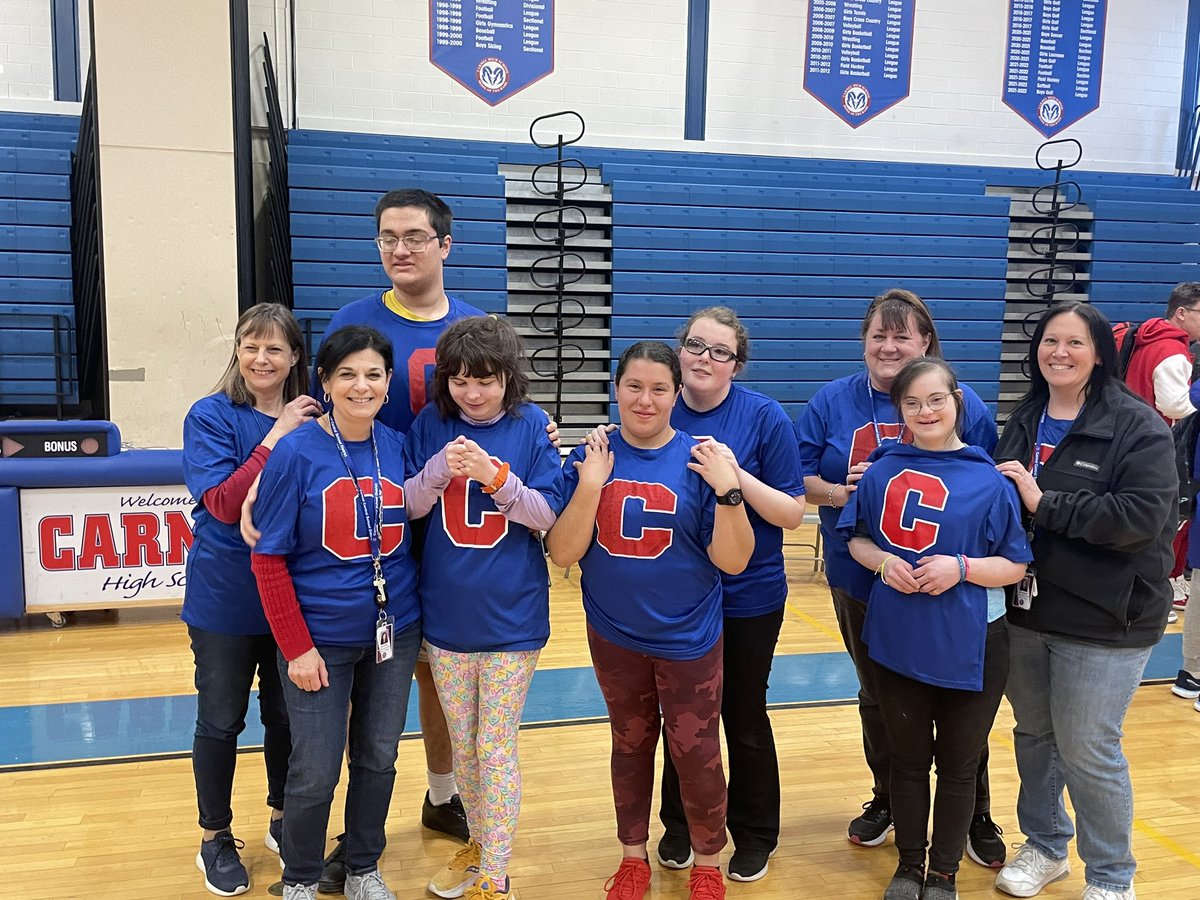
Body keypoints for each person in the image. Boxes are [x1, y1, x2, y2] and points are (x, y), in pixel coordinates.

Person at [242, 189, 558, 889]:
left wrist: (530, 447)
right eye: (388, 236)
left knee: (414, 718)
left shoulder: (483, 333)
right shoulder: (357, 323)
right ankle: (309, 837)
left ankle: (441, 805)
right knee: (329, 724)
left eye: (415, 236)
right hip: (377, 521)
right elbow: (310, 422)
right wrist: (267, 466)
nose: (400, 248)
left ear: (446, 244)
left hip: (443, 560)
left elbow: (535, 470)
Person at [587, 307, 805, 882]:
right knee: (679, 723)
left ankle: (754, 833)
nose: (706, 358)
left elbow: (791, 511)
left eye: (721, 351)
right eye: (696, 346)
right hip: (673, 601)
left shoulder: (763, 417)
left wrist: (734, 478)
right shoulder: (656, 406)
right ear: (679, 356)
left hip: (747, 594)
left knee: (738, 715)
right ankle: (679, 828)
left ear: (737, 364)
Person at [793, 288, 1006, 866]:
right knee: (878, 696)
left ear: (925, 342)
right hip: (863, 576)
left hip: (950, 586)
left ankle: (976, 810)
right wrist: (843, 491)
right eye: (878, 336)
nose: (888, 346)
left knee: (962, 697)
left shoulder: (964, 402)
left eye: (901, 335)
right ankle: (889, 796)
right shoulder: (832, 401)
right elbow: (799, 477)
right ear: (863, 343)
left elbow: (988, 479)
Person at [546, 341, 754, 900]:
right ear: (616, 390)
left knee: (698, 752)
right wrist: (591, 483)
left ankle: (708, 863)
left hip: (688, 639)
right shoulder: (590, 458)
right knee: (630, 746)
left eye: (658, 388)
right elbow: (563, 554)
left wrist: (729, 490)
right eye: (633, 386)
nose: (645, 399)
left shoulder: (700, 459)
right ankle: (632, 856)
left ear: (676, 393)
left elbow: (732, 560)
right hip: (614, 635)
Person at [993, 302, 1176, 900]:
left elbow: (1143, 519)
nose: (1059, 353)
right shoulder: (1024, 417)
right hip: (1028, 608)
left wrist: (1046, 504)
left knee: (1089, 748)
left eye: (1075, 342)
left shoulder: (1137, 424)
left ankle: (1111, 875)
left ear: (1100, 351)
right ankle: (1046, 845)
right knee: (1035, 735)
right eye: (1050, 341)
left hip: (1106, 617)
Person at [840, 358, 1031, 900]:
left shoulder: (989, 480)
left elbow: (1014, 564)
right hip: (900, 639)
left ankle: (944, 871)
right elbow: (856, 539)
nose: (925, 411)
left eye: (935, 400)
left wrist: (962, 569)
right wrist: (881, 562)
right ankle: (909, 865)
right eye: (912, 402)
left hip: (974, 642)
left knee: (959, 763)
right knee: (906, 761)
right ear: (900, 410)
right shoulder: (880, 471)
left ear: (958, 403)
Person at [250, 325, 422, 900]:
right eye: (346, 373)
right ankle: (299, 877)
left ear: (388, 382)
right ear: (323, 381)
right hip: (317, 640)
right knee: (315, 769)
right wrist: (296, 648)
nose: (361, 385)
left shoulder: (397, 445)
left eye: (373, 373)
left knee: (378, 755)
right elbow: (268, 559)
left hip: (392, 633)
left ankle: (361, 868)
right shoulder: (296, 451)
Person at [403, 316, 564, 900]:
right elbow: (407, 509)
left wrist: (499, 479)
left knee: (494, 744)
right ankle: (477, 848)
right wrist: (437, 471)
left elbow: (548, 517)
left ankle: (496, 879)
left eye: (487, 380)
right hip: (446, 616)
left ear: (508, 379)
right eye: (462, 381)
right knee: (465, 744)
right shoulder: (430, 424)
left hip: (512, 618)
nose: (473, 393)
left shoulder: (529, 430)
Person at [182, 303, 322, 896]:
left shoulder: (316, 416)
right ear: (237, 352)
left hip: (293, 595)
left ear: (294, 357)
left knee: (286, 716)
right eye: (250, 346)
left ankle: (282, 819)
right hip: (226, 598)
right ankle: (214, 836)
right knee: (221, 718)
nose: (261, 358)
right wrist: (277, 433)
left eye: (274, 348)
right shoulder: (212, 415)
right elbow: (220, 502)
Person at [1114, 282, 1200, 616]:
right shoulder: (1172, 350)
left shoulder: (1137, 335)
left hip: (1120, 441)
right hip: (1153, 449)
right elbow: (1174, 405)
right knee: (1157, 528)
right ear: (1181, 313)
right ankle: (1148, 600)